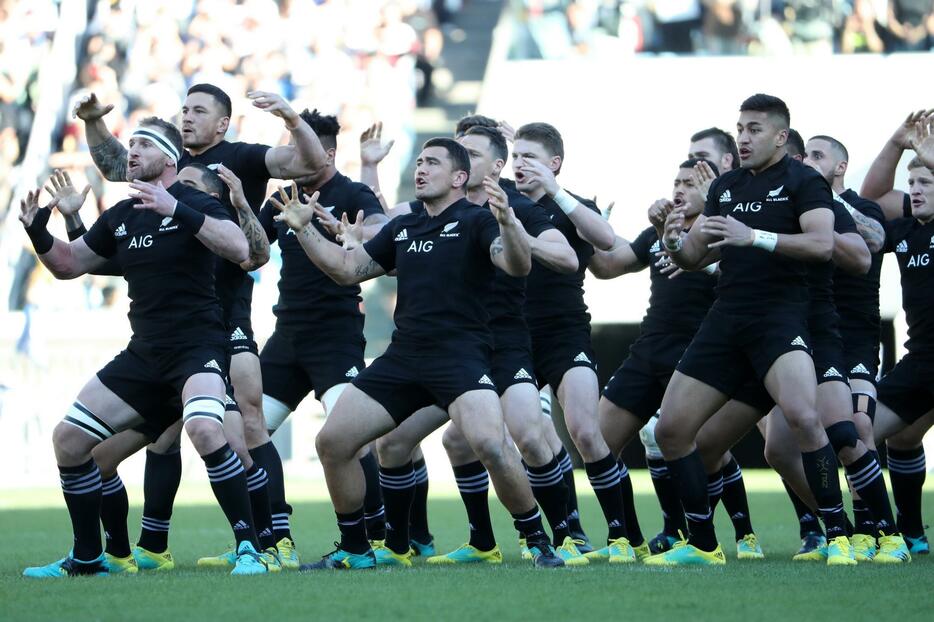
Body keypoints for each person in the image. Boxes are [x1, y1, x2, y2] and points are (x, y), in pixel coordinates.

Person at [273, 138, 563, 569]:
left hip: (461, 356)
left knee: (492, 445)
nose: (421, 169)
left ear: (459, 177)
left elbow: (517, 266)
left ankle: (537, 540)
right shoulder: (404, 226)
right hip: (403, 358)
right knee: (333, 442)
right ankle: (356, 548)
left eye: (432, 163)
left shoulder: (477, 220)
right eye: (420, 161)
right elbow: (347, 269)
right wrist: (304, 228)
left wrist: (509, 224)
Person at [74, 83, 325, 568]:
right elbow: (114, 167)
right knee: (165, 436)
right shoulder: (164, 158)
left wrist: (292, 117)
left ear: (222, 123)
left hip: (222, 310)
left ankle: (275, 540)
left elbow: (307, 164)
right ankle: (152, 547)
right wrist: (94, 122)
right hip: (169, 321)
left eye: (199, 111)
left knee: (244, 425)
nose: (187, 117)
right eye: (184, 108)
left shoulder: (242, 158)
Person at [20, 118, 267, 577]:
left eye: (141, 145)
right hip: (146, 354)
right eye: (129, 144)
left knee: (206, 431)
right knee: (69, 441)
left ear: (168, 158)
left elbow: (240, 248)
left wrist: (176, 208)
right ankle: (90, 557)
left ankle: (251, 548)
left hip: (197, 349)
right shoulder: (123, 212)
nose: (130, 152)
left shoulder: (193, 200)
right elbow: (71, 263)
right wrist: (39, 233)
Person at [647, 94, 852, 566]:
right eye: (740, 128)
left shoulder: (805, 181)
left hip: (779, 318)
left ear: (781, 137)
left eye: (754, 129)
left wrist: (753, 237)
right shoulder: (726, 187)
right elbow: (694, 256)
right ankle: (702, 545)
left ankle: (838, 536)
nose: (742, 137)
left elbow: (823, 245)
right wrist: (672, 237)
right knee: (671, 431)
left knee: (803, 417)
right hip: (726, 320)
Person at [363, 126, 582, 566]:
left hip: (503, 343)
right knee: (401, 442)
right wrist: (369, 167)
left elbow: (568, 258)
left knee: (528, 434)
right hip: (450, 351)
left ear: (493, 167)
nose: (456, 163)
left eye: (470, 154)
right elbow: (379, 221)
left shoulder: (517, 207)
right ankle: (475, 541)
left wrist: (511, 231)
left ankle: (565, 537)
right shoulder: (431, 213)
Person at [252, 109, 388, 565]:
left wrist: (339, 229)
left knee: (351, 436)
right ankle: (278, 536)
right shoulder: (282, 195)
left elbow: (383, 233)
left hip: (336, 334)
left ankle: (374, 534)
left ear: (326, 152)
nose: (291, 156)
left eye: (299, 147)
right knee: (250, 431)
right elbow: (252, 248)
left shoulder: (352, 193)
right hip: (287, 334)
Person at [512, 122, 636, 560]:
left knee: (585, 429)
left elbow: (607, 241)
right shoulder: (501, 202)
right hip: (513, 337)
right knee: (528, 437)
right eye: (515, 156)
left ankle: (623, 537)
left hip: (565, 333)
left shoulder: (574, 206)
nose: (518, 164)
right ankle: (570, 533)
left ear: (555, 164)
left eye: (529, 156)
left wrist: (556, 190)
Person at [588, 158, 719, 561]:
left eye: (691, 182)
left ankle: (708, 540)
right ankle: (627, 538)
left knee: (688, 443)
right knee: (597, 439)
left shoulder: (719, 229)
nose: (679, 189)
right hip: (648, 351)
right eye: (676, 181)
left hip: (697, 354)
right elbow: (608, 266)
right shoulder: (659, 231)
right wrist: (587, 230)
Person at [865, 112, 934, 555]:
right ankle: (907, 533)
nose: (916, 190)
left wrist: (930, 156)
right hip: (923, 359)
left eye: (926, 182)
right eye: (914, 184)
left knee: (893, 436)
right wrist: (897, 144)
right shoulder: (906, 230)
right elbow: (868, 200)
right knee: (877, 434)